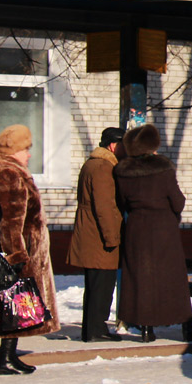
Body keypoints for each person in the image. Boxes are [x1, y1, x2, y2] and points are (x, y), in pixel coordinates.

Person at [113, 124, 192, 344]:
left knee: (140, 278)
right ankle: (187, 326)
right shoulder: (164, 170)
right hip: (164, 230)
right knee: (174, 279)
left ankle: (145, 328)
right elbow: (178, 202)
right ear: (153, 146)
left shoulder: (122, 172)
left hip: (136, 230)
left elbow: (121, 202)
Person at [0, 124, 59, 375]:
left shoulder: (9, 170)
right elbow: (11, 220)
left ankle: (8, 355)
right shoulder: (10, 173)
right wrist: (16, 255)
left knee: (16, 304)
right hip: (21, 251)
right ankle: (5, 358)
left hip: (23, 248)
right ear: (15, 149)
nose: (29, 154)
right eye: (26, 149)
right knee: (16, 303)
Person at [66, 127, 124, 343]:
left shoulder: (94, 163)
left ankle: (92, 329)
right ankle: (96, 330)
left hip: (91, 233)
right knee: (102, 285)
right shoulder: (102, 167)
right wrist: (112, 238)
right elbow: (105, 206)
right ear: (112, 145)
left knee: (95, 285)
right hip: (98, 237)